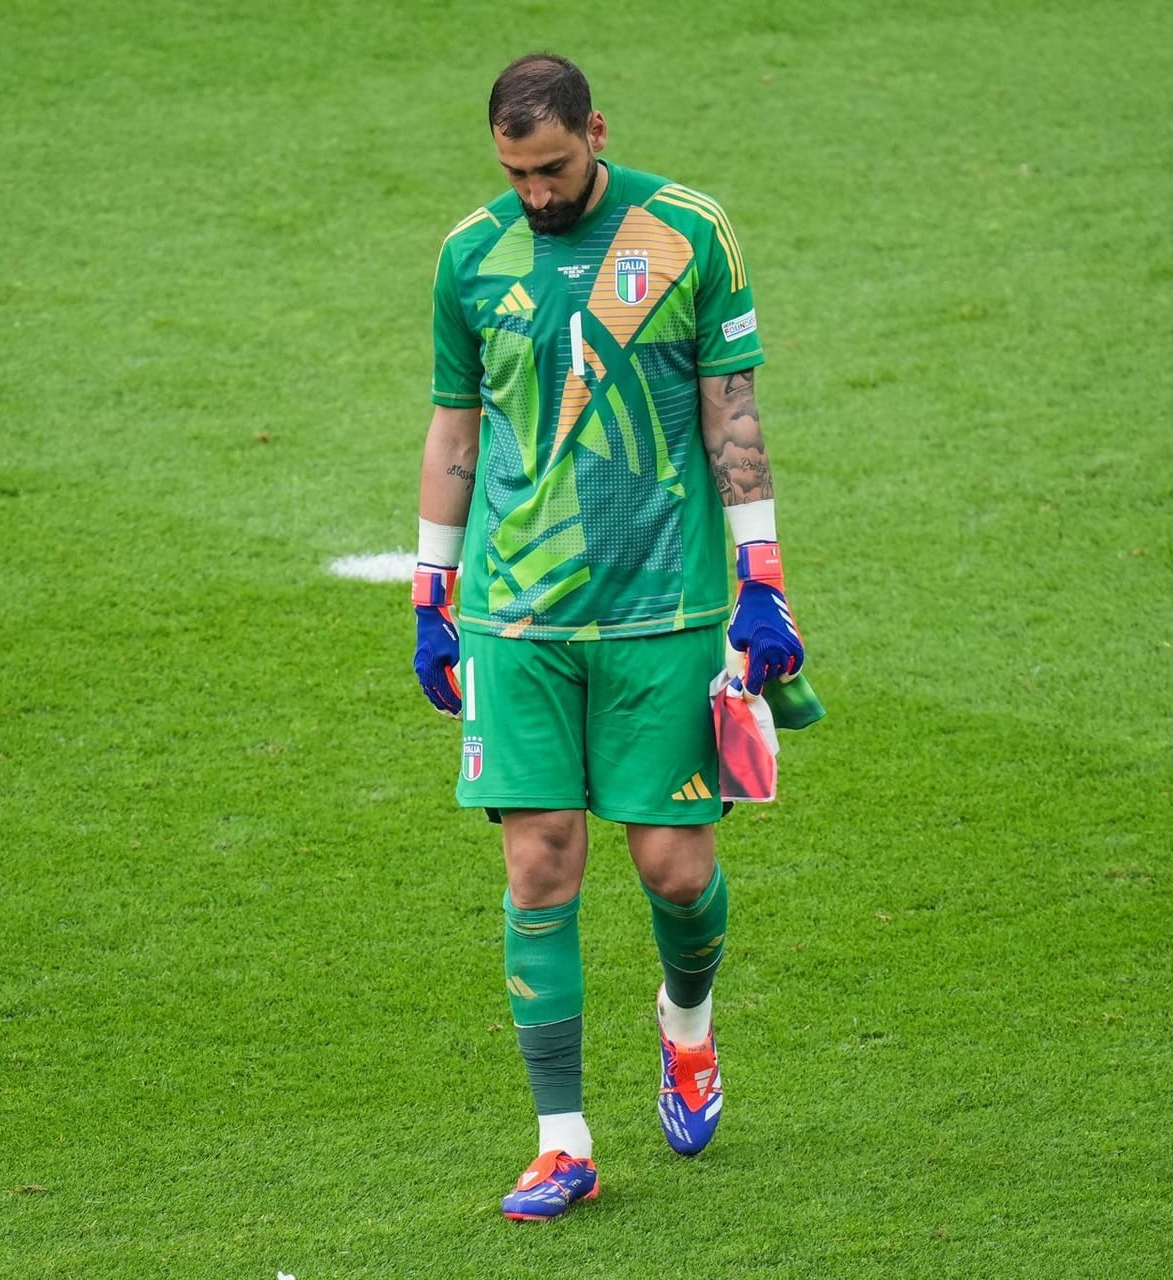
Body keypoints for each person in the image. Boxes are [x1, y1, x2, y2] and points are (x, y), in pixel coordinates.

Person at [410, 52, 805, 1222]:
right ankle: (562, 1137)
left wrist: (762, 578)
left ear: (597, 131)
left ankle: (687, 1021)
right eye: (514, 171)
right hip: (518, 610)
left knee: (673, 870)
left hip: (663, 605)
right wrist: (433, 590)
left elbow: (730, 407)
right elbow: (453, 420)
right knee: (540, 858)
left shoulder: (687, 232)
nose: (535, 191)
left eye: (554, 165)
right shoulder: (470, 256)